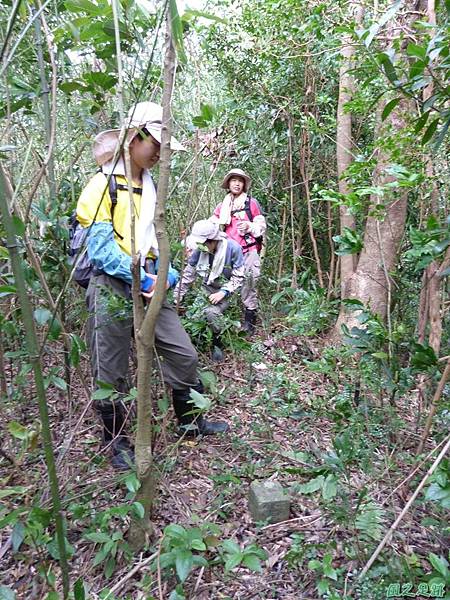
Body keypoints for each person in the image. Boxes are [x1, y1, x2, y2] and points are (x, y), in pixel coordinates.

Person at [76, 102, 229, 469]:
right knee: (111, 370)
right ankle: (117, 443)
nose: (159, 152)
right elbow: (99, 250)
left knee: (183, 353)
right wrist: (141, 277)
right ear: (133, 137)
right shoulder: (101, 186)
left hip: (149, 285)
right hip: (112, 286)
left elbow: (153, 237)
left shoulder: (151, 186)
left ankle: (190, 422)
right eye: (154, 143)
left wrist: (164, 271)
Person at [174, 220, 245, 362]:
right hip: (207, 289)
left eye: (203, 243)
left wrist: (223, 292)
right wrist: (177, 297)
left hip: (228, 292)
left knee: (211, 313)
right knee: (193, 315)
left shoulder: (233, 248)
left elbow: (238, 276)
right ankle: (197, 342)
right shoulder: (199, 251)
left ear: (212, 241)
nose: (200, 247)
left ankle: (217, 343)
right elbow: (188, 275)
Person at [210, 168, 266, 335]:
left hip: (248, 250)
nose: (236, 183)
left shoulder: (251, 204)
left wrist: (249, 226)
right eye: (233, 180)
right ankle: (220, 321)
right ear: (228, 183)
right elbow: (212, 225)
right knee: (220, 283)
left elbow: (261, 226)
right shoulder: (222, 206)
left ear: (244, 185)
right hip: (228, 252)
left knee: (249, 285)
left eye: (240, 181)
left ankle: (249, 326)